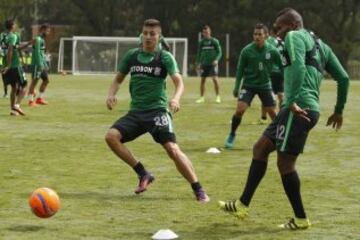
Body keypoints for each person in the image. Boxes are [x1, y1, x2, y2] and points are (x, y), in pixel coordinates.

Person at [219, 8, 349, 230]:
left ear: (292, 24)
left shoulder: (294, 36)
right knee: (260, 148)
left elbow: (298, 66)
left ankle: (300, 219)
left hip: (298, 108)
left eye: (278, 27)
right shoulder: (321, 45)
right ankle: (242, 204)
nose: (276, 33)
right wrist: (338, 110)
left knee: (285, 163)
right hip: (298, 108)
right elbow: (343, 78)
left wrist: (291, 100)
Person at [105, 19, 210, 203]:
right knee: (111, 137)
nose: (148, 37)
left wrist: (176, 98)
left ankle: (198, 189)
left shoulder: (164, 57)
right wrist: (111, 94)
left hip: (157, 112)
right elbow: (118, 79)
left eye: (152, 34)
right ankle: (143, 173)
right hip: (136, 113)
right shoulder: (132, 56)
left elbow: (179, 82)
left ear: (158, 37)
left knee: (173, 150)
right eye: (145, 33)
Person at [224, 23, 282, 149]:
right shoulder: (246, 51)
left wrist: (287, 82)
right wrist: (236, 87)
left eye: (260, 34)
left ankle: (280, 138)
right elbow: (240, 70)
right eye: (255, 34)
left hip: (265, 85)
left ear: (266, 36)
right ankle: (232, 134)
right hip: (249, 85)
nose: (257, 37)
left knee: (273, 113)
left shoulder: (272, 51)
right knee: (240, 110)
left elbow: (283, 67)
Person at [1, 20, 28, 116]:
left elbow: (13, 48)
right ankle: (17, 105)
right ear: (12, 26)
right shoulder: (13, 36)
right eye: (15, 24)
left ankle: (12, 110)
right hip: (14, 65)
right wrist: (9, 65)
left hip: (4, 65)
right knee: (24, 86)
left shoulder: (2, 36)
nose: (16, 25)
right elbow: (10, 49)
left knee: (14, 87)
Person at [259, 27, 285, 123]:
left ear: (269, 32)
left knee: (266, 93)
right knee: (281, 95)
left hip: (270, 72)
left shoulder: (268, 41)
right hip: (281, 71)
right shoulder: (283, 42)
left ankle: (263, 116)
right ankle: (282, 114)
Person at [195, 25, 222, 103]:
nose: (206, 33)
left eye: (207, 32)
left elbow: (220, 52)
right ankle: (201, 97)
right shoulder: (201, 42)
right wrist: (198, 63)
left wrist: (216, 60)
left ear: (210, 32)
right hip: (204, 64)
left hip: (213, 64)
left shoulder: (214, 41)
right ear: (202, 33)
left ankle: (218, 97)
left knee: (215, 79)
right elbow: (199, 53)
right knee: (202, 80)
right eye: (204, 32)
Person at [27, 24, 51, 106]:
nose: (48, 33)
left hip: (42, 64)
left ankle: (39, 99)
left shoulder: (42, 40)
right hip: (37, 64)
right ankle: (30, 101)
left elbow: (41, 54)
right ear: (42, 30)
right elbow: (37, 53)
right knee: (34, 81)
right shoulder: (38, 39)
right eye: (47, 31)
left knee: (46, 80)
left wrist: (45, 64)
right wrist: (40, 64)